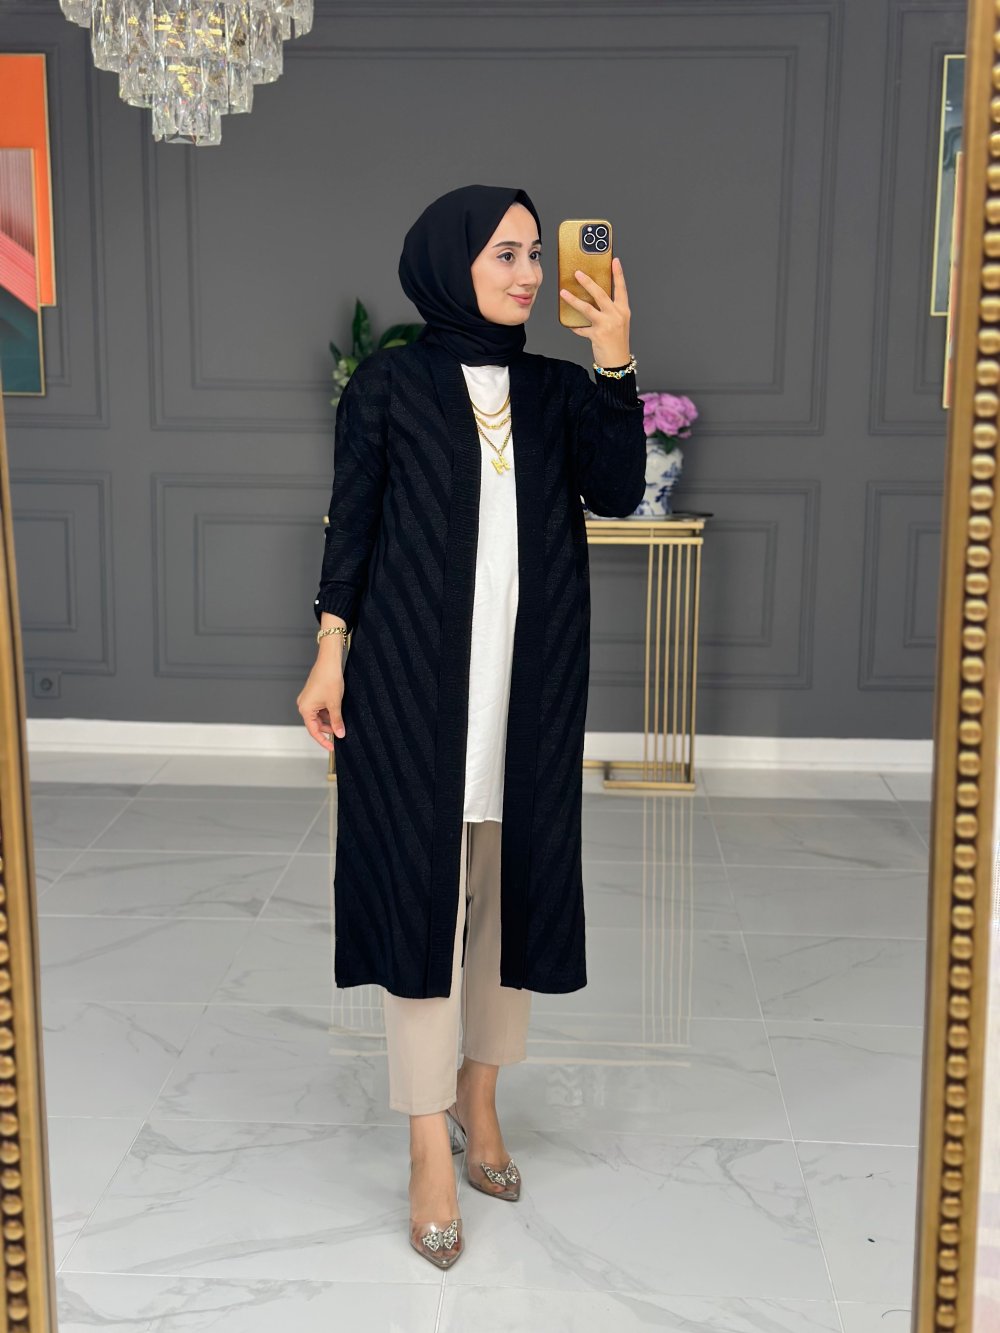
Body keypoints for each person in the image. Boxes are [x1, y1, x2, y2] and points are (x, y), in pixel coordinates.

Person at [296, 184, 645, 1268]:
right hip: (412, 686)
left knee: (513, 900)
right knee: (418, 904)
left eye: (537, 253)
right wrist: (329, 649)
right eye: (506, 253)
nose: (530, 273)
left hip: (531, 687)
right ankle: (425, 1147)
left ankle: (479, 1099)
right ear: (452, 262)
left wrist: (615, 362)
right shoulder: (389, 384)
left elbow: (619, 491)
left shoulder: (554, 388)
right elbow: (352, 523)